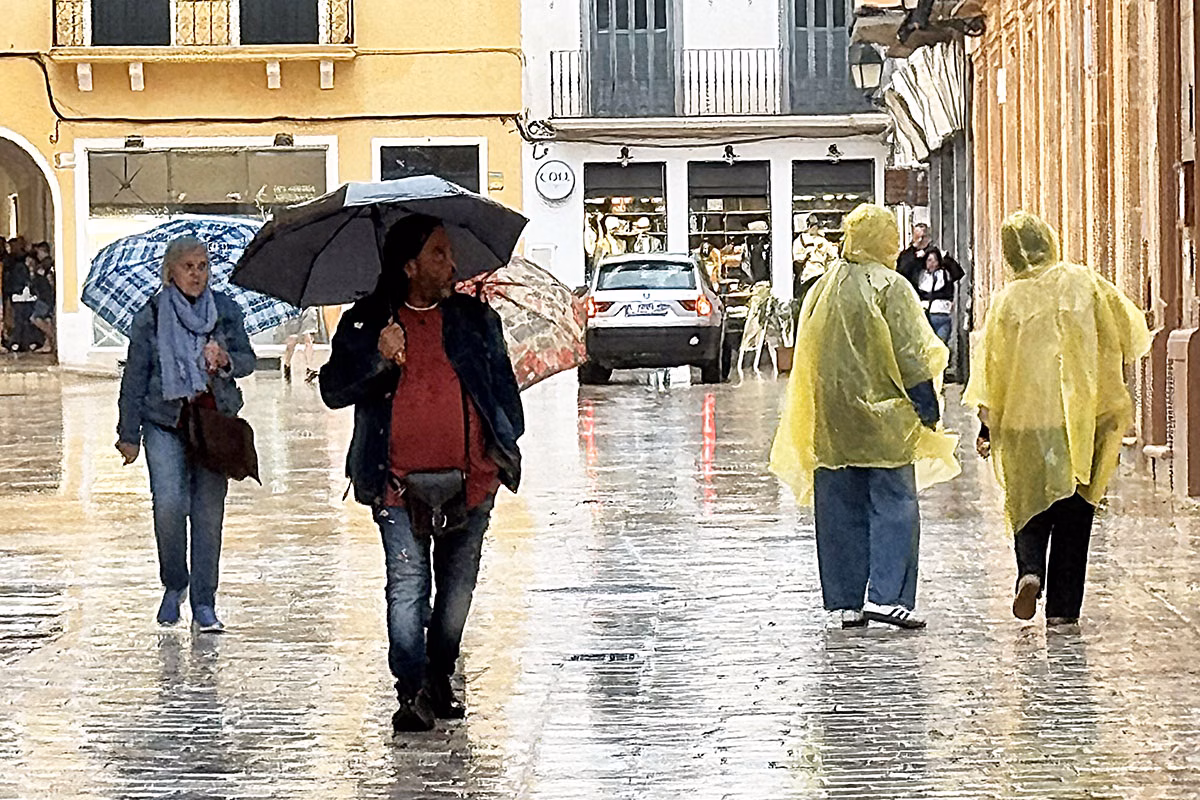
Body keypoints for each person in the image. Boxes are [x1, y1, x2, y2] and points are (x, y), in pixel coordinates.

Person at [319, 214, 524, 733]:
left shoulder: (476, 320)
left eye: (449, 252)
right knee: (406, 587)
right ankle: (410, 690)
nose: (451, 263)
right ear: (409, 266)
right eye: (438, 254)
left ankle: (440, 674)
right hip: (396, 483)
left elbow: (503, 390)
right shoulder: (366, 322)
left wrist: (499, 452)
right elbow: (333, 389)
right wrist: (377, 358)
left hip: (472, 483)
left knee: (456, 594)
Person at [769, 204, 959, 630]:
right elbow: (911, 352)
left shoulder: (822, 288)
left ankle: (844, 600)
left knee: (838, 507)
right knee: (894, 504)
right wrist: (925, 405)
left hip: (832, 420)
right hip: (884, 420)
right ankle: (887, 596)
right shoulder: (889, 287)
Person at [964, 211, 1150, 631]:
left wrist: (987, 424)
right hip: (1079, 422)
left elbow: (991, 369)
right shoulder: (1084, 283)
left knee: (1028, 501)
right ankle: (1064, 609)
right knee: (1074, 509)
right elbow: (1129, 329)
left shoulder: (1007, 302)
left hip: (1024, 423)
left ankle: (1030, 569)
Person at [115, 236, 256, 633]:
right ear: (170, 272)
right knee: (170, 506)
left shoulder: (225, 311)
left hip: (212, 425)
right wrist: (128, 433)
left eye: (203, 266)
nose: (197, 274)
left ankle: (205, 602)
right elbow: (135, 375)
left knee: (209, 518)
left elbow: (247, 361)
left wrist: (225, 359)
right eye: (189, 267)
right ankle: (174, 582)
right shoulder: (153, 314)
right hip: (164, 421)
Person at [914, 247, 964, 344]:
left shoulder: (944, 274)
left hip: (942, 316)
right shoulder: (920, 276)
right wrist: (917, 257)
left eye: (935, 260)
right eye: (929, 260)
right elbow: (906, 269)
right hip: (925, 317)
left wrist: (945, 257)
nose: (932, 263)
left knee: (941, 346)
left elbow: (958, 273)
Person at [791, 215, 837, 302]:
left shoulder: (823, 240)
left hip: (821, 274)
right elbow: (797, 260)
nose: (814, 227)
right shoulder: (800, 240)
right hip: (807, 275)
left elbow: (832, 257)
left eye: (815, 225)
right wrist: (806, 256)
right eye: (812, 225)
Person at [281, 306, 320, 382]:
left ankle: (310, 368)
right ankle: (287, 365)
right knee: (292, 342)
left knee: (308, 340)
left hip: (309, 307)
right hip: (293, 308)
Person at [28, 243, 54, 351]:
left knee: (35, 318)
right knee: (47, 319)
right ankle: (48, 344)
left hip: (44, 297)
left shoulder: (45, 265)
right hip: (46, 296)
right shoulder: (47, 264)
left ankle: (53, 337)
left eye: (38, 252)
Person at [897, 223, 933, 287]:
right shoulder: (906, 255)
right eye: (918, 237)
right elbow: (902, 272)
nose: (921, 240)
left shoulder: (933, 253)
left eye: (924, 237)